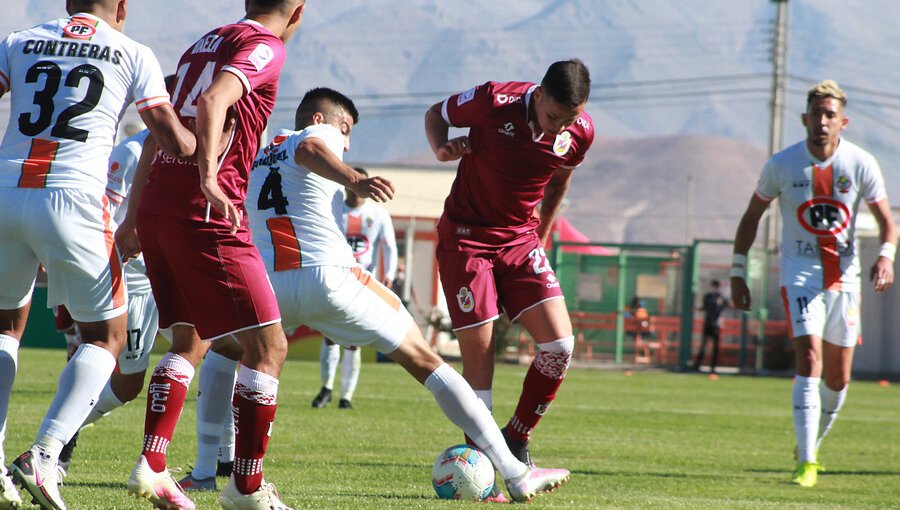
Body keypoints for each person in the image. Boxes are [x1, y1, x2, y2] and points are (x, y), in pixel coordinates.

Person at [249, 86, 568, 503]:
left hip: (269, 284)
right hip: (326, 276)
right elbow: (312, 148)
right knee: (426, 359)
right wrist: (356, 179)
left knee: (231, 358)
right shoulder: (317, 134)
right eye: (348, 134)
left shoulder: (261, 152)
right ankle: (513, 469)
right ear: (329, 122)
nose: (346, 145)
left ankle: (212, 469)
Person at [0, 1, 198, 508]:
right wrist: (203, 136)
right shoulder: (132, 52)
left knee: (4, 328)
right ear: (123, 7)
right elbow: (171, 137)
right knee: (106, 336)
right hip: (74, 199)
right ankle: (44, 454)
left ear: (67, 3)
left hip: (6, 188)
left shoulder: (18, 39)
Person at [114, 2, 307, 509]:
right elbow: (214, 102)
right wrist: (207, 177)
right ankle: (245, 488)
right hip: (205, 211)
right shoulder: (266, 46)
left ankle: (153, 464)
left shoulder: (204, 41)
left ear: (246, 2)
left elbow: (159, 134)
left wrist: (135, 216)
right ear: (299, 12)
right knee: (270, 348)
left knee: (190, 340)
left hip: (160, 205)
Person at [423, 59, 594, 479]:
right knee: (481, 364)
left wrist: (544, 232)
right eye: (553, 117)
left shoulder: (581, 133)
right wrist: (443, 148)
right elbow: (435, 115)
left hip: (520, 239)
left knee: (559, 347)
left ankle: (516, 439)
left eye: (569, 119)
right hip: (466, 237)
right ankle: (478, 470)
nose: (559, 128)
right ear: (538, 96)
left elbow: (559, 182)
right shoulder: (492, 101)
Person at [730, 80, 896, 488]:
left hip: (845, 280)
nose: (822, 122)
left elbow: (887, 223)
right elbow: (751, 217)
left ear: (843, 121)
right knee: (810, 364)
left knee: (838, 379)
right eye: (816, 114)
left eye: (829, 115)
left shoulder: (861, 163)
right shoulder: (782, 165)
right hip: (799, 275)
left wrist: (886, 258)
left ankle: (812, 445)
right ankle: (806, 463)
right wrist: (737, 270)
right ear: (804, 118)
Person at [311, 167, 399, 410]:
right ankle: (326, 388)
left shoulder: (378, 214)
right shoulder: (333, 207)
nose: (356, 191)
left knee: (353, 340)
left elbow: (389, 246)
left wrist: (388, 275)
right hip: (334, 276)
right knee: (329, 336)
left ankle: (346, 396)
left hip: (362, 281)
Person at [693, 280, 730, 375]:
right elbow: (705, 307)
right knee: (704, 345)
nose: (715, 288)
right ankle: (697, 365)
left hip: (717, 325)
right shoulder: (708, 296)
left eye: (717, 286)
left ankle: (713, 367)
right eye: (714, 286)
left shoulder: (722, 297)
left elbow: (729, 305)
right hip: (708, 323)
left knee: (715, 347)